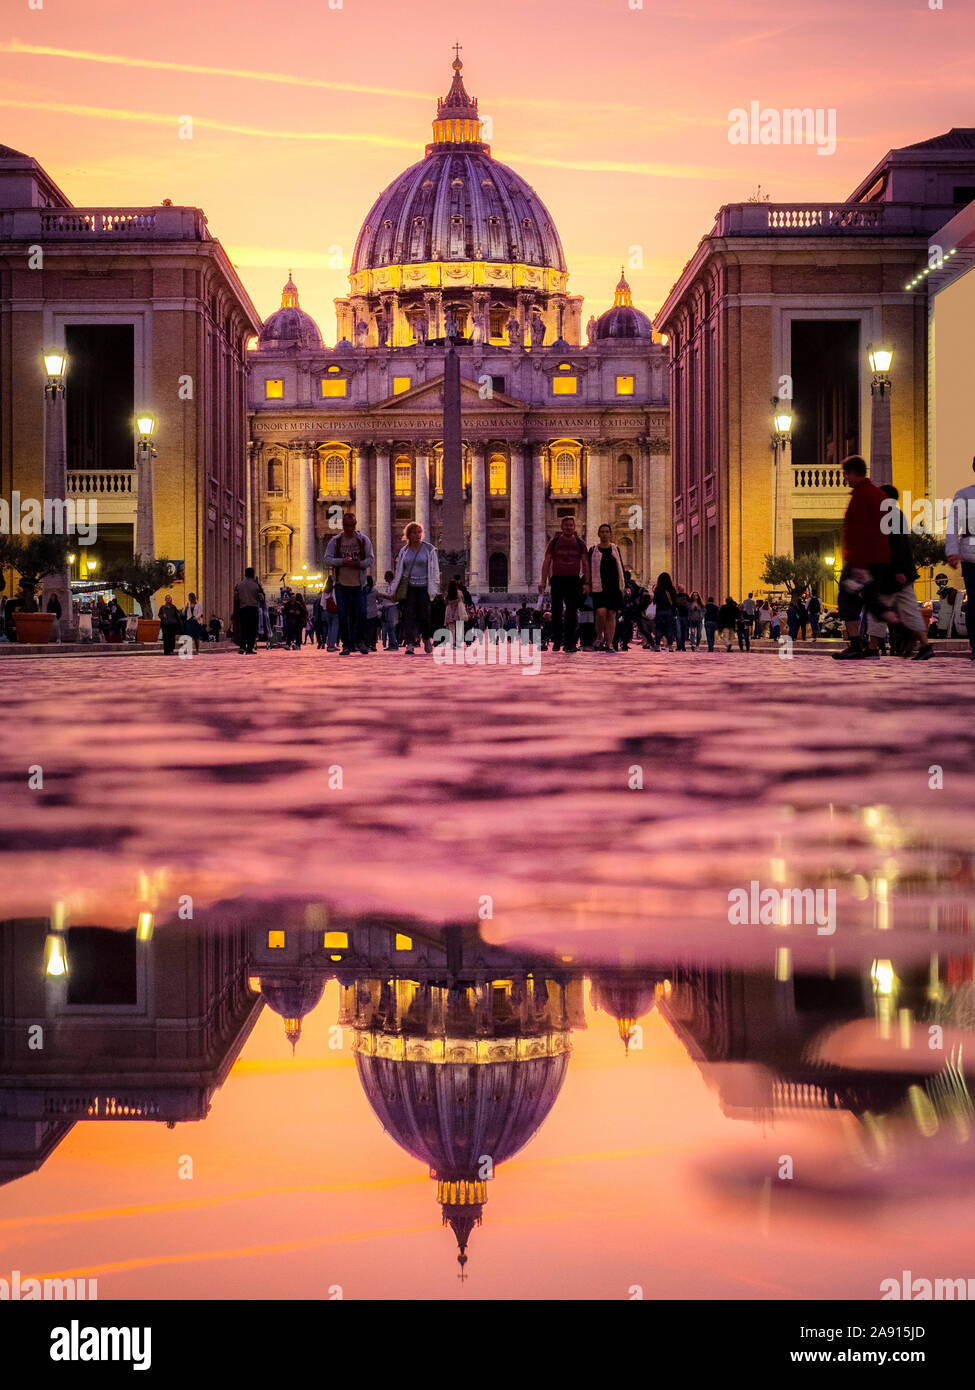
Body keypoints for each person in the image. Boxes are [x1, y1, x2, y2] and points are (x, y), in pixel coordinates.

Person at [832, 455, 904, 661]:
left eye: (846, 474)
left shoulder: (862, 496)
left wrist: (858, 565)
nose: (845, 479)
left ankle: (855, 644)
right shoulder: (877, 494)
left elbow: (860, 533)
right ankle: (898, 624)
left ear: (852, 473)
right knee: (873, 602)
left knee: (846, 598)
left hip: (860, 561)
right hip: (878, 561)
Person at [880, 483, 934, 661]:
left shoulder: (892, 516)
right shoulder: (895, 515)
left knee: (880, 608)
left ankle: (873, 647)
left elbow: (898, 546)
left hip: (897, 575)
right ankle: (923, 645)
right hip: (900, 573)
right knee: (908, 611)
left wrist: (898, 570)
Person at [323, 511, 375, 655]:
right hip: (341, 584)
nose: (349, 529)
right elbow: (327, 559)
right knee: (343, 615)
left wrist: (358, 564)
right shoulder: (336, 541)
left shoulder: (364, 540)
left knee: (361, 614)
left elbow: (370, 561)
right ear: (342, 525)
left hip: (359, 584)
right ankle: (347, 645)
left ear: (355, 525)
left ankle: (361, 642)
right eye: (346, 525)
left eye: (352, 525)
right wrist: (342, 561)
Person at [539, 515, 590, 654]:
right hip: (557, 579)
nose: (569, 528)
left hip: (574, 580)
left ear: (574, 527)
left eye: (571, 525)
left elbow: (585, 563)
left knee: (572, 613)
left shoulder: (580, 543)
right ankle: (556, 640)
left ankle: (569, 642)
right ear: (562, 527)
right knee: (556, 612)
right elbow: (546, 561)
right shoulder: (554, 542)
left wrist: (587, 582)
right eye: (566, 525)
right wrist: (543, 580)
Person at [391, 521, 440, 655]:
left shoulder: (429, 549)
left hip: (424, 587)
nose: (418, 535)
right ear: (409, 534)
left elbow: (435, 570)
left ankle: (425, 638)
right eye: (414, 532)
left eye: (419, 532)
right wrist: (394, 588)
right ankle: (410, 643)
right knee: (409, 616)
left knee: (424, 616)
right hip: (409, 587)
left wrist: (435, 587)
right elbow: (399, 570)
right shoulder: (404, 551)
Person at [946, 455, 975, 661]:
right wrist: (953, 550)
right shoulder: (963, 495)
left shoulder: (963, 494)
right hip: (971, 557)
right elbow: (953, 524)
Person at [588, 523, 626, 652]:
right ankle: (599, 636)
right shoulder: (593, 550)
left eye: (606, 532)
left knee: (611, 614)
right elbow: (587, 568)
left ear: (610, 534)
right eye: (602, 532)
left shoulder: (615, 549)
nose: (604, 534)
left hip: (613, 587)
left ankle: (609, 643)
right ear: (599, 534)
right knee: (601, 612)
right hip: (599, 587)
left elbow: (620, 566)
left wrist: (624, 585)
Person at [234, 566, 265, 654]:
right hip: (253, 608)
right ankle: (249, 648)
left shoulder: (239, 585)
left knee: (243, 628)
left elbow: (236, 598)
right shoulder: (256, 585)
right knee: (252, 629)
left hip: (243, 609)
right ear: (253, 574)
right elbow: (261, 598)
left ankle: (242, 647)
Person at [651, 571, 678, 650]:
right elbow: (674, 600)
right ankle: (670, 646)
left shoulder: (658, 589)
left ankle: (658, 645)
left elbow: (655, 601)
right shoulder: (671, 589)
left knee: (659, 628)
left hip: (659, 610)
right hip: (669, 611)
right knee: (669, 628)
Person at [377, 570, 400, 650]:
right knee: (390, 627)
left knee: (391, 627)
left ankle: (393, 645)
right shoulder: (390, 585)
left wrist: (382, 595)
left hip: (392, 607)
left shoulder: (394, 585)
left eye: (385, 576)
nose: (384, 578)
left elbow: (392, 597)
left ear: (388, 577)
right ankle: (392, 644)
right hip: (388, 607)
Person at [444, 578, 468, 645]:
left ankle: (453, 641)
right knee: (459, 627)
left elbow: (445, 602)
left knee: (452, 628)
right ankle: (458, 641)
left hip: (450, 610)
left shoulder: (447, 593)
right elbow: (462, 601)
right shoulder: (459, 592)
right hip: (458, 610)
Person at [364, 576, 380, 650]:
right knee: (373, 630)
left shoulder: (363, 590)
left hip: (365, 611)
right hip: (373, 611)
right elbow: (379, 600)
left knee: (366, 630)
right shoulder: (375, 590)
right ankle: (373, 645)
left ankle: (366, 644)